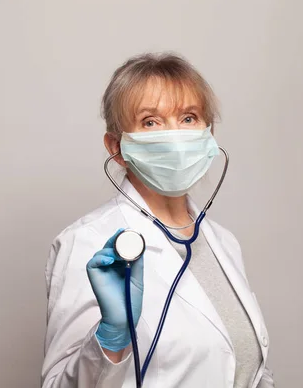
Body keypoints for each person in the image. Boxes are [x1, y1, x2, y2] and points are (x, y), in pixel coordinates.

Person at [41, 53, 275, 388]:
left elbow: (247, 368)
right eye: (151, 122)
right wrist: (110, 340)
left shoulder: (223, 242)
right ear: (117, 147)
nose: (175, 137)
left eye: (189, 118)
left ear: (209, 134)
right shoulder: (88, 242)